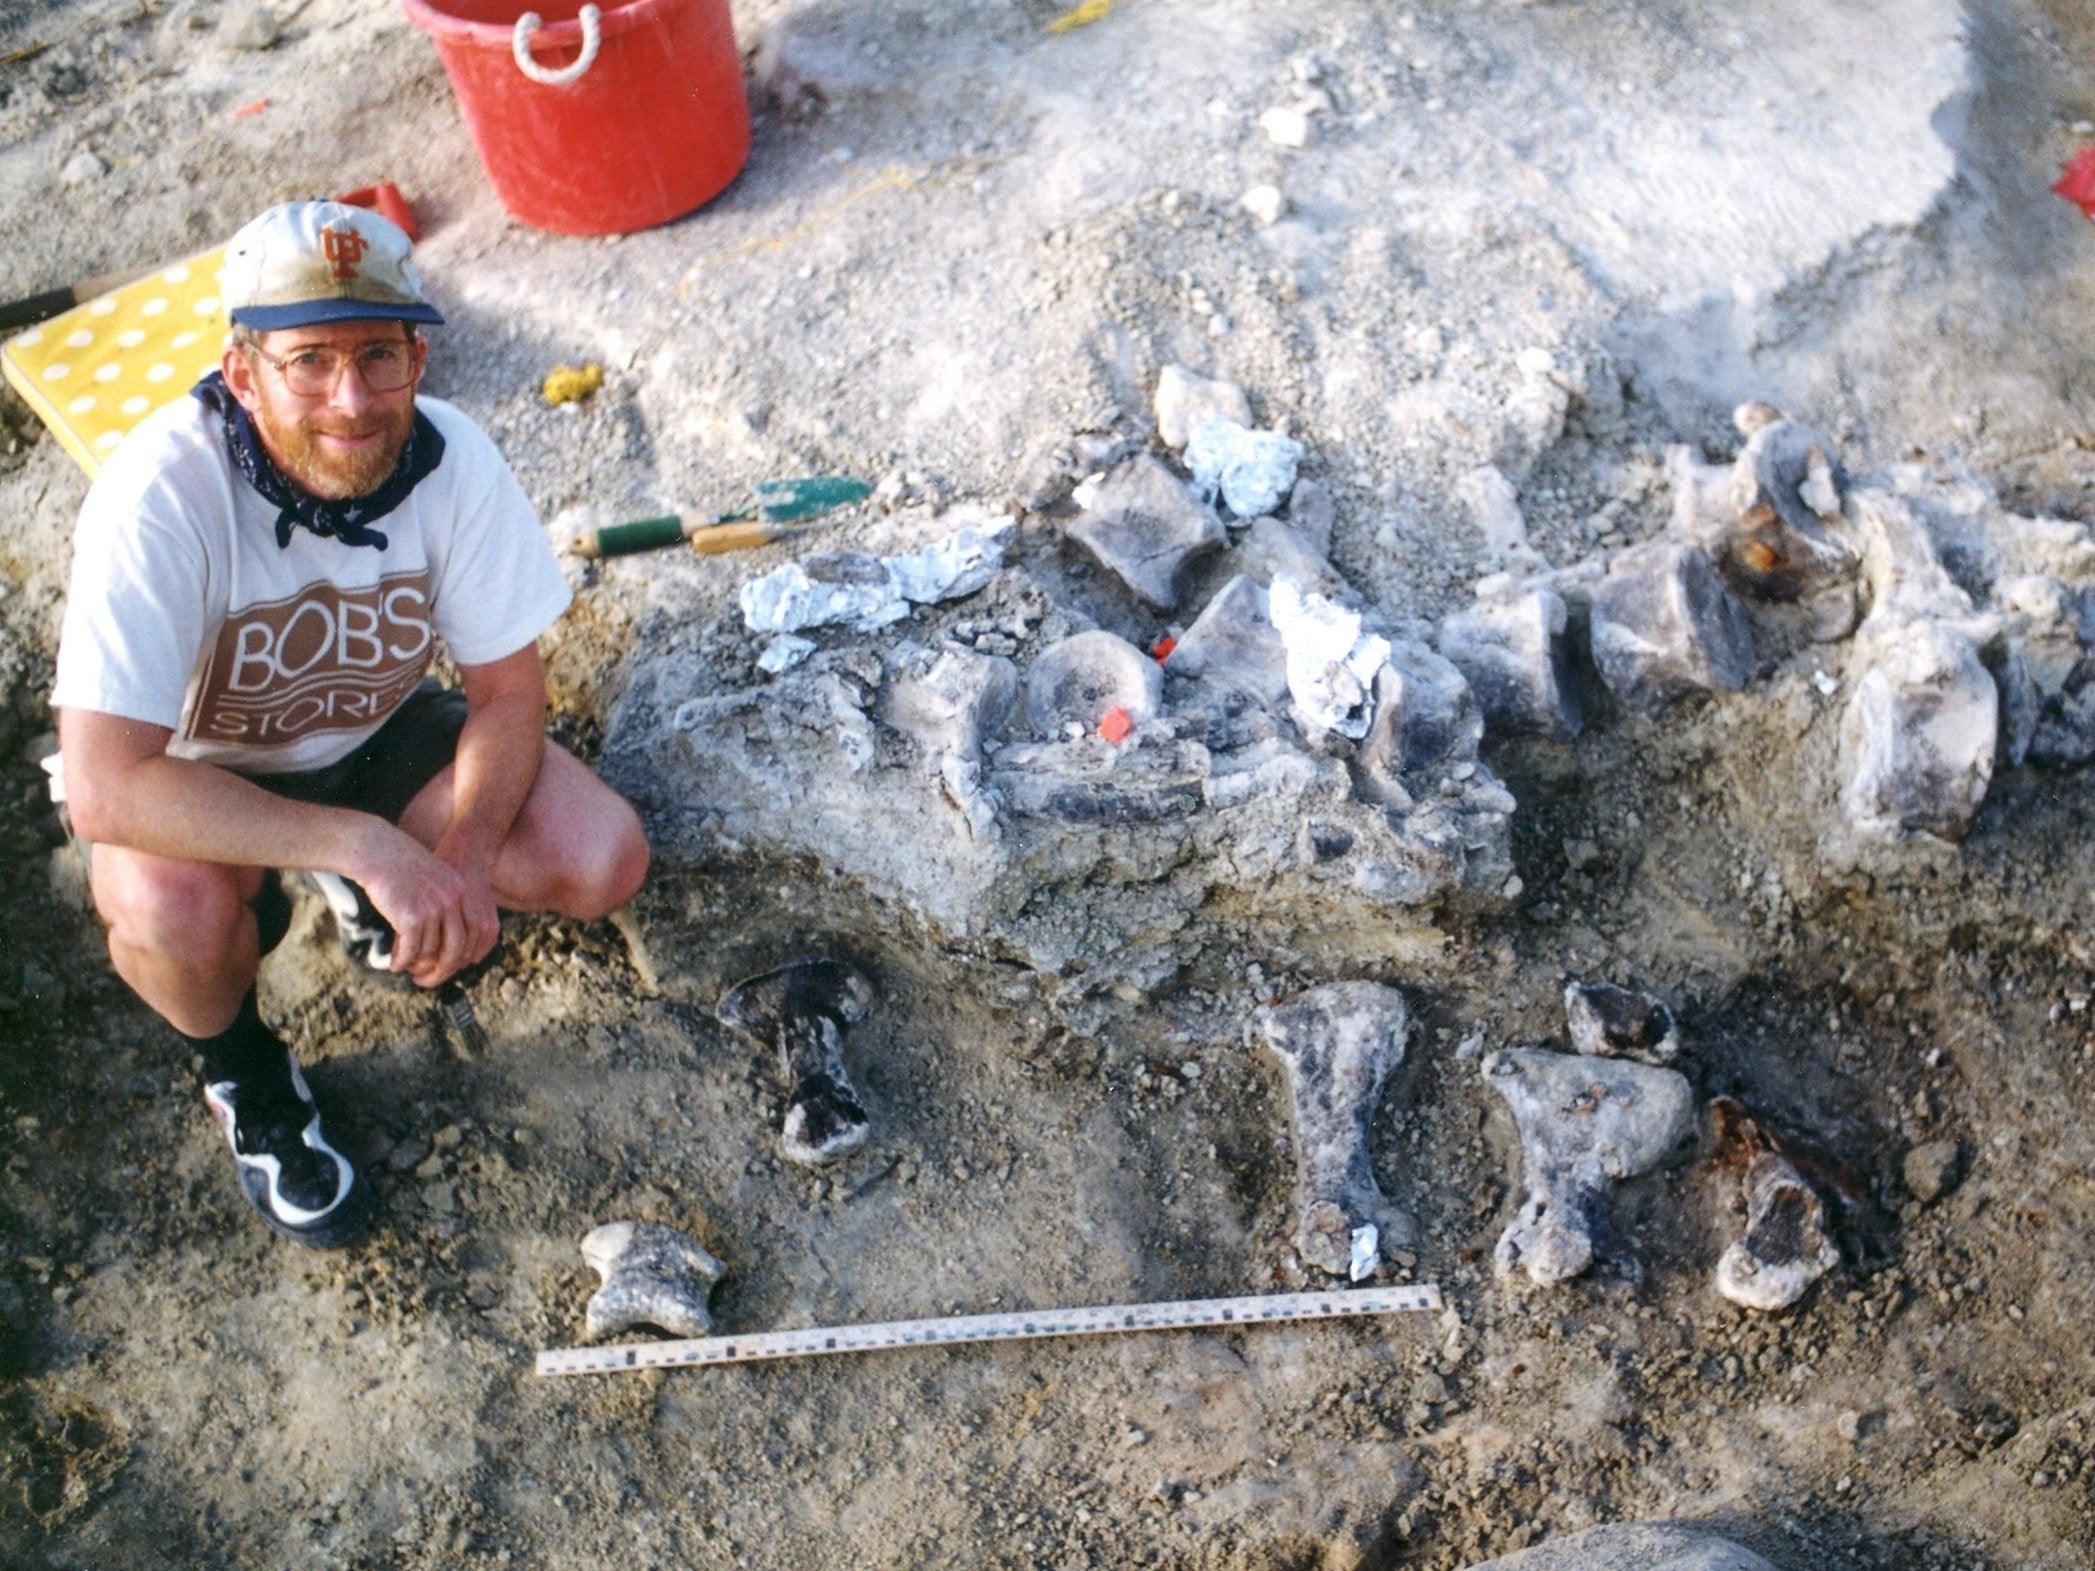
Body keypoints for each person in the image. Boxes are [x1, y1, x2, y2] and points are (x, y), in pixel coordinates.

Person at [47, 200, 650, 1248]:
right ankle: (245, 1072)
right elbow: (106, 784)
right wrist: (363, 843)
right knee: (170, 917)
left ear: (419, 354)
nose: (353, 399)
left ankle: (361, 881)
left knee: (600, 858)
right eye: (308, 361)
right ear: (242, 372)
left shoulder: (451, 456)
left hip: (373, 729)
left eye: (379, 354)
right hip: (198, 770)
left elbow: (509, 692)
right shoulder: (158, 497)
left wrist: (458, 857)